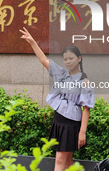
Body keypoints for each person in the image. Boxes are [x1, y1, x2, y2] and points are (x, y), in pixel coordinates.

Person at [20, 27, 94, 171]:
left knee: (60, 160)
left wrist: (82, 132)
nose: (67, 62)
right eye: (65, 59)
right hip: (58, 120)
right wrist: (32, 42)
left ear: (79, 59)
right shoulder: (61, 73)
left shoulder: (84, 81)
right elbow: (43, 60)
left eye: (71, 58)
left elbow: (86, 108)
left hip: (71, 123)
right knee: (67, 162)